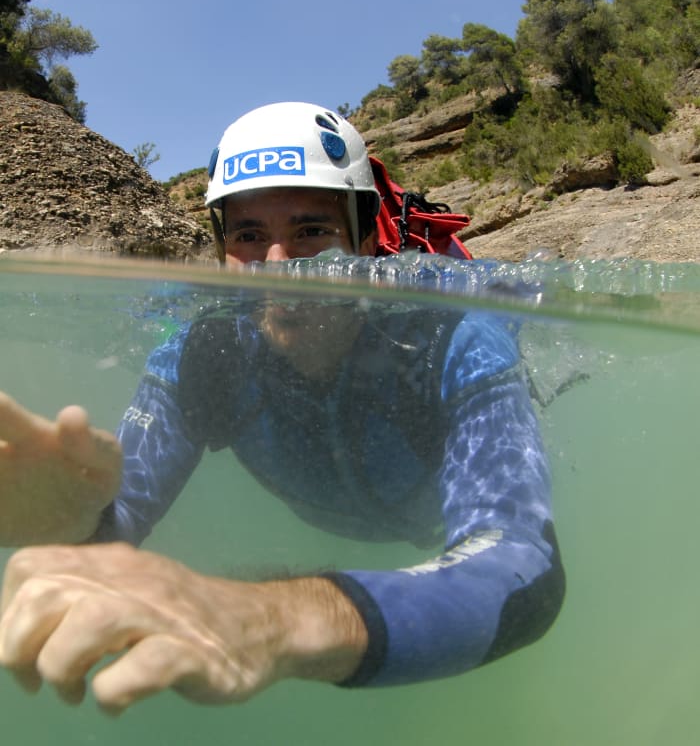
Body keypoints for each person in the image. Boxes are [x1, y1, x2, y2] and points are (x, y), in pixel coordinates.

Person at [0, 102, 565, 713]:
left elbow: (520, 565)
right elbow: (121, 514)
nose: (278, 268)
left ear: (366, 239)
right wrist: (75, 527)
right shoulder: (204, 353)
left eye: (311, 232)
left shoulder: (454, 336)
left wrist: (271, 618)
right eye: (248, 236)